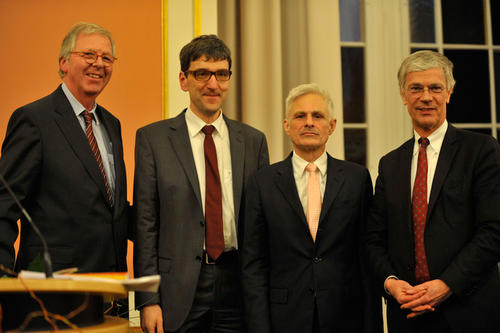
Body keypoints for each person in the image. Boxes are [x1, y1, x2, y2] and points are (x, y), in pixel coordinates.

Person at [134, 34, 269, 333]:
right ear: (184, 80)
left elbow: (262, 223)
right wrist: (147, 299)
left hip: (239, 286)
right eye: (201, 74)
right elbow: (145, 224)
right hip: (176, 290)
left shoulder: (253, 141)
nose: (212, 84)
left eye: (221, 74)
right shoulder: (153, 139)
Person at [365, 50, 500, 332]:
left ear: (449, 93)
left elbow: (493, 231)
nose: (426, 97)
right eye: (416, 88)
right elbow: (374, 240)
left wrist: (445, 285)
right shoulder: (389, 164)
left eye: (435, 88)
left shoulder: (481, 151)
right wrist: (391, 283)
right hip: (408, 314)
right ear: (403, 96)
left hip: (469, 313)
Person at [241, 83, 381, 333]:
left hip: (345, 316)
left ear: (332, 125)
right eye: (300, 116)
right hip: (284, 318)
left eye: (317, 116)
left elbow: (366, 257)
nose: (309, 122)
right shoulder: (262, 182)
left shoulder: (357, 179)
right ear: (287, 125)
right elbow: (254, 264)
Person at [0, 22, 129, 275]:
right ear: (64, 63)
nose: (99, 63)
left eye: (107, 57)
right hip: (51, 285)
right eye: (89, 55)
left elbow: (110, 208)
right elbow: (4, 205)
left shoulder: (112, 124)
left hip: (109, 282)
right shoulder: (34, 120)